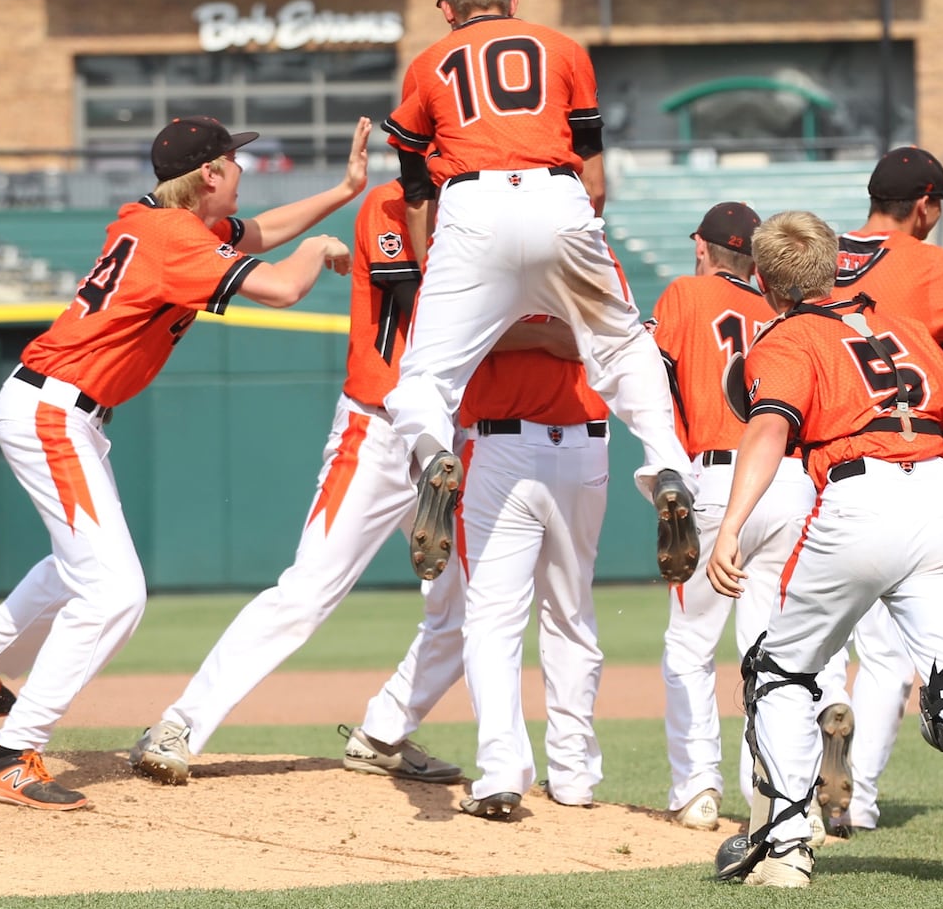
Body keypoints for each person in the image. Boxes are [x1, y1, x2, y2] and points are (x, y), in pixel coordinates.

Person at [0, 115, 372, 810]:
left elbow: (256, 235)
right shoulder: (175, 239)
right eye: (234, 161)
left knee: (75, 568)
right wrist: (320, 248)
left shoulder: (154, 219)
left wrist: (343, 190)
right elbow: (280, 286)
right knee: (113, 593)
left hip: (59, 408)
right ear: (210, 176)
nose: (243, 170)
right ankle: (10, 755)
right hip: (53, 412)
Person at [707, 210, 943, 893]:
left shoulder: (788, 337)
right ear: (835, 266)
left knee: (778, 672)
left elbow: (770, 427)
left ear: (765, 283)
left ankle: (785, 845)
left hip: (860, 500)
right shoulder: (904, 329)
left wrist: (731, 524)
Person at [126, 177, 464, 788]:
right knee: (307, 591)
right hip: (380, 428)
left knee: (473, 603)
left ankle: (385, 731)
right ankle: (178, 725)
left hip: (459, 437)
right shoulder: (391, 202)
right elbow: (426, 299)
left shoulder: (491, 206)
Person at [379, 0, 696, 590]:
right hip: (559, 196)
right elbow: (594, 173)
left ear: (447, 10)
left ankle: (434, 454)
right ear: (512, 3)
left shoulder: (427, 64)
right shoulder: (563, 48)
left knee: (425, 377)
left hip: (471, 207)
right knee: (624, 347)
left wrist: (436, 255)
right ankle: (668, 469)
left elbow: (415, 178)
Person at [825, 147, 943, 838]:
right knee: (888, 655)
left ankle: (783, 784)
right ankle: (857, 796)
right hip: (894, 462)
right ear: (927, 205)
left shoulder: (815, 253)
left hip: (805, 462)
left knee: (798, 646)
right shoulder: (931, 264)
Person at [655, 201, 852, 835]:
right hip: (792, 481)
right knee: (773, 652)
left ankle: (698, 789)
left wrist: (666, 477)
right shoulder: (783, 307)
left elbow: (651, 387)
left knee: (689, 645)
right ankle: (778, 795)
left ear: (702, 246)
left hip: (718, 480)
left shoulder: (685, 294)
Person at [452, 315, 616, 819]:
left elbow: (460, 332)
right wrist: (553, 336)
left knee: (493, 618)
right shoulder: (588, 247)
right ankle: (573, 776)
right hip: (584, 447)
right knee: (571, 613)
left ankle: (502, 771)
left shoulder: (481, 246)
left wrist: (504, 332)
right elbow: (596, 338)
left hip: (504, 448)